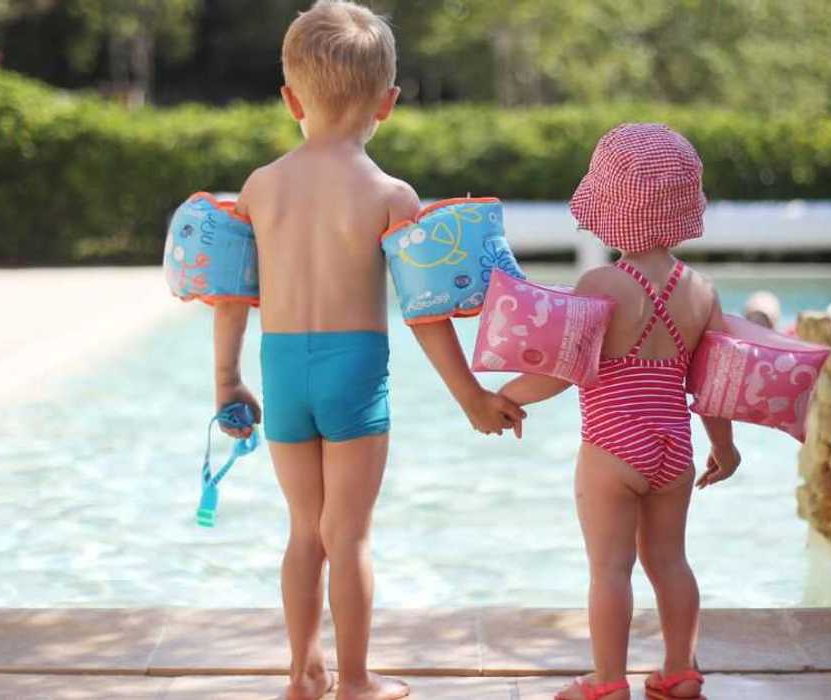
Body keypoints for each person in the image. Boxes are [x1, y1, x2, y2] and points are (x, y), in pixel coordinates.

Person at [211, 3, 524, 698]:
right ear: (388, 102)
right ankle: (354, 680)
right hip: (353, 372)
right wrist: (471, 395)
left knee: (303, 532)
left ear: (291, 98)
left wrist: (226, 381)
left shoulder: (260, 188)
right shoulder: (389, 193)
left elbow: (231, 295)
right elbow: (426, 312)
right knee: (346, 535)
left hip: (283, 369)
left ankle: (302, 672)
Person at [500, 123, 741, 700]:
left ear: (611, 205)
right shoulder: (701, 291)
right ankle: (679, 671)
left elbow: (563, 369)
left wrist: (505, 396)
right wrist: (724, 447)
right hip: (674, 449)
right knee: (671, 562)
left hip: (613, 447)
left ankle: (607, 682)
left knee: (610, 569)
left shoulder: (602, 281)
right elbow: (711, 383)